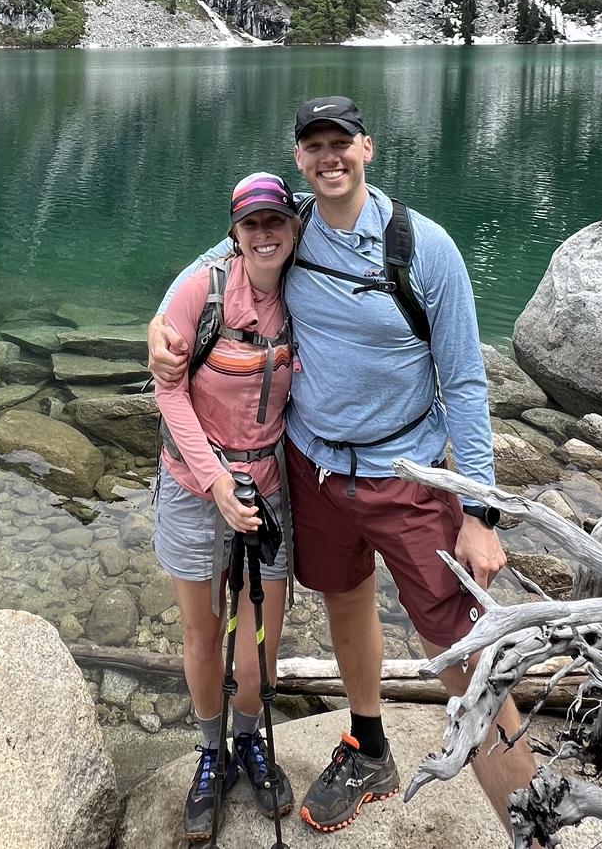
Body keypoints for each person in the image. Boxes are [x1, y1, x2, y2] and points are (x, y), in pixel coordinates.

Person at [149, 97, 538, 840]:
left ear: (368, 148)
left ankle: (530, 820)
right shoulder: (290, 224)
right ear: (299, 159)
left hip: (407, 474)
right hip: (312, 469)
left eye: (341, 144)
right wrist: (159, 332)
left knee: (459, 642)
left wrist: (483, 515)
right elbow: (228, 251)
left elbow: (464, 382)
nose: (329, 158)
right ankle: (368, 743)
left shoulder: (424, 248)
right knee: (346, 602)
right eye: (314, 146)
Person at [152, 170, 300, 843]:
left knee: (260, 646)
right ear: (234, 235)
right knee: (203, 634)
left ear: (293, 226)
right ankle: (211, 753)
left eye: (276, 221)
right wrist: (214, 480)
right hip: (193, 490)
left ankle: (249, 741)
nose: (264, 234)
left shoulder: (306, 292)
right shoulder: (200, 290)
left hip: (267, 491)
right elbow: (169, 391)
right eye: (251, 225)